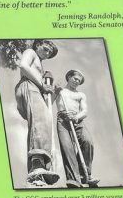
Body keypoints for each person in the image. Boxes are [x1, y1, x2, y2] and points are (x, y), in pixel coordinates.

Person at [15, 40, 60, 187]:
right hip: (28, 86)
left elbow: (47, 106)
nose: (47, 54)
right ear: (38, 44)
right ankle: (37, 163)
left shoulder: (40, 63)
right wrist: (42, 84)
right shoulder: (31, 52)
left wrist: (54, 92)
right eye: (46, 49)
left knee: (44, 120)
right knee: (42, 122)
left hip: (35, 89)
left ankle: (38, 166)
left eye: (49, 53)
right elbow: (23, 65)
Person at [55, 69, 98, 187]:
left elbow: (84, 111)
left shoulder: (80, 95)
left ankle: (85, 174)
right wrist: (55, 92)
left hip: (77, 120)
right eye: (75, 79)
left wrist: (75, 117)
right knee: (67, 148)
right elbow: (49, 100)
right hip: (63, 120)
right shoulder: (60, 91)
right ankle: (73, 179)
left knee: (88, 142)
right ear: (69, 77)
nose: (77, 82)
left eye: (79, 81)